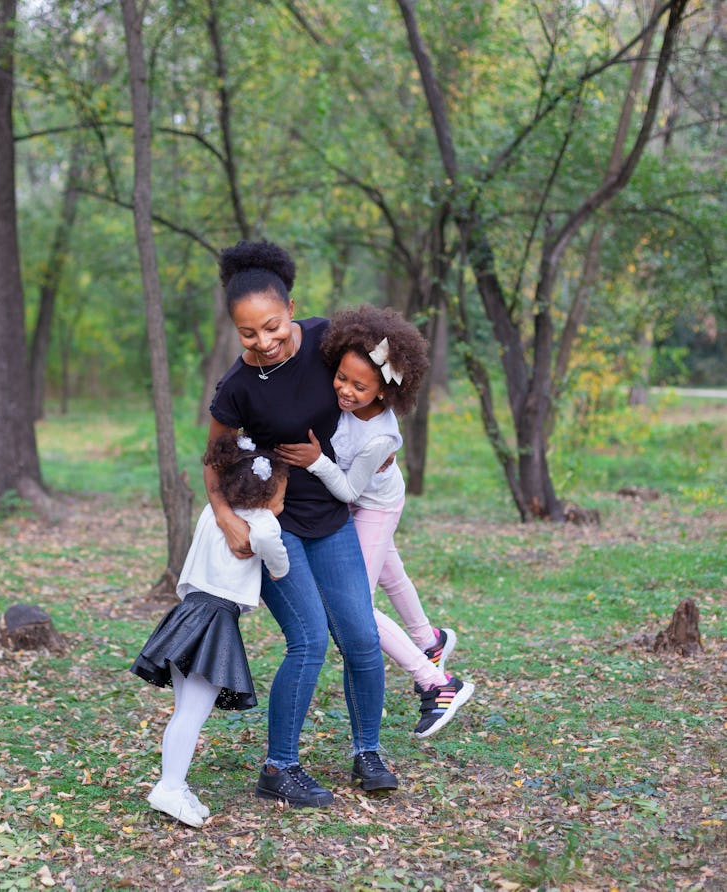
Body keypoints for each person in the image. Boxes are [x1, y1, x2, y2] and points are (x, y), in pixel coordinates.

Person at [206, 239, 398, 809]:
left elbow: (390, 371)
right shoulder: (236, 389)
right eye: (247, 333)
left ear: (291, 307)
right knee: (310, 641)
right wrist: (226, 519)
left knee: (362, 639)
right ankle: (278, 768)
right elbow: (214, 463)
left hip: (333, 517)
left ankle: (368, 752)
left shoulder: (327, 340)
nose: (262, 342)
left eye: (270, 326)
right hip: (274, 523)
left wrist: (386, 441)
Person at [276, 305, 474, 739]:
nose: (345, 390)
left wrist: (316, 461)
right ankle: (429, 639)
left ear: (384, 393)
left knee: (355, 607)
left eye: (359, 386)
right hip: (365, 500)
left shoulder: (380, 437)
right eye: (342, 378)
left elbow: (347, 489)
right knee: (389, 572)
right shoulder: (342, 396)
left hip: (372, 503)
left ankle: (437, 683)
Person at [130, 432, 290, 828]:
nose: (283, 503)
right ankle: (168, 787)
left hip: (189, 612)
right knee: (192, 714)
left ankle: (176, 783)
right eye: (282, 495)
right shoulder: (265, 524)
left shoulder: (212, 512)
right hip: (214, 621)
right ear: (266, 494)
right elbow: (280, 564)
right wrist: (274, 564)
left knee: (184, 711)